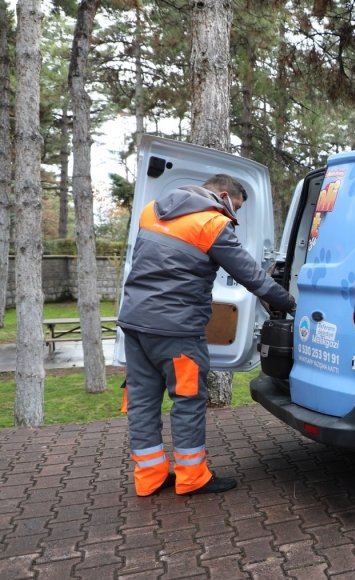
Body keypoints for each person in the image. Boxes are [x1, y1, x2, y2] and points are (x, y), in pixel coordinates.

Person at [118, 174, 295, 497]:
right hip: (177, 330)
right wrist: (291, 302)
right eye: (236, 207)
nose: (233, 216)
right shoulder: (211, 224)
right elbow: (252, 277)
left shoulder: (151, 211)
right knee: (187, 400)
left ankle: (150, 476)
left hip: (134, 322)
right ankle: (192, 476)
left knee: (142, 401)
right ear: (224, 195)